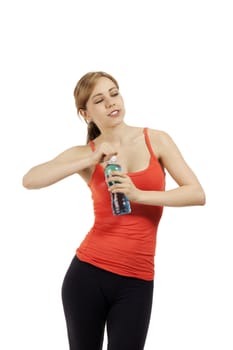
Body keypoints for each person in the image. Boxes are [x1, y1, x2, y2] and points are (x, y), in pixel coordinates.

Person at [22, 71, 206, 350]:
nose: (111, 102)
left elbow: (196, 193)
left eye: (114, 93)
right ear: (85, 113)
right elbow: (30, 180)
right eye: (99, 99)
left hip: (137, 279)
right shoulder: (88, 153)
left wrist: (138, 194)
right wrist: (91, 157)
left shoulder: (155, 139)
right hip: (86, 276)